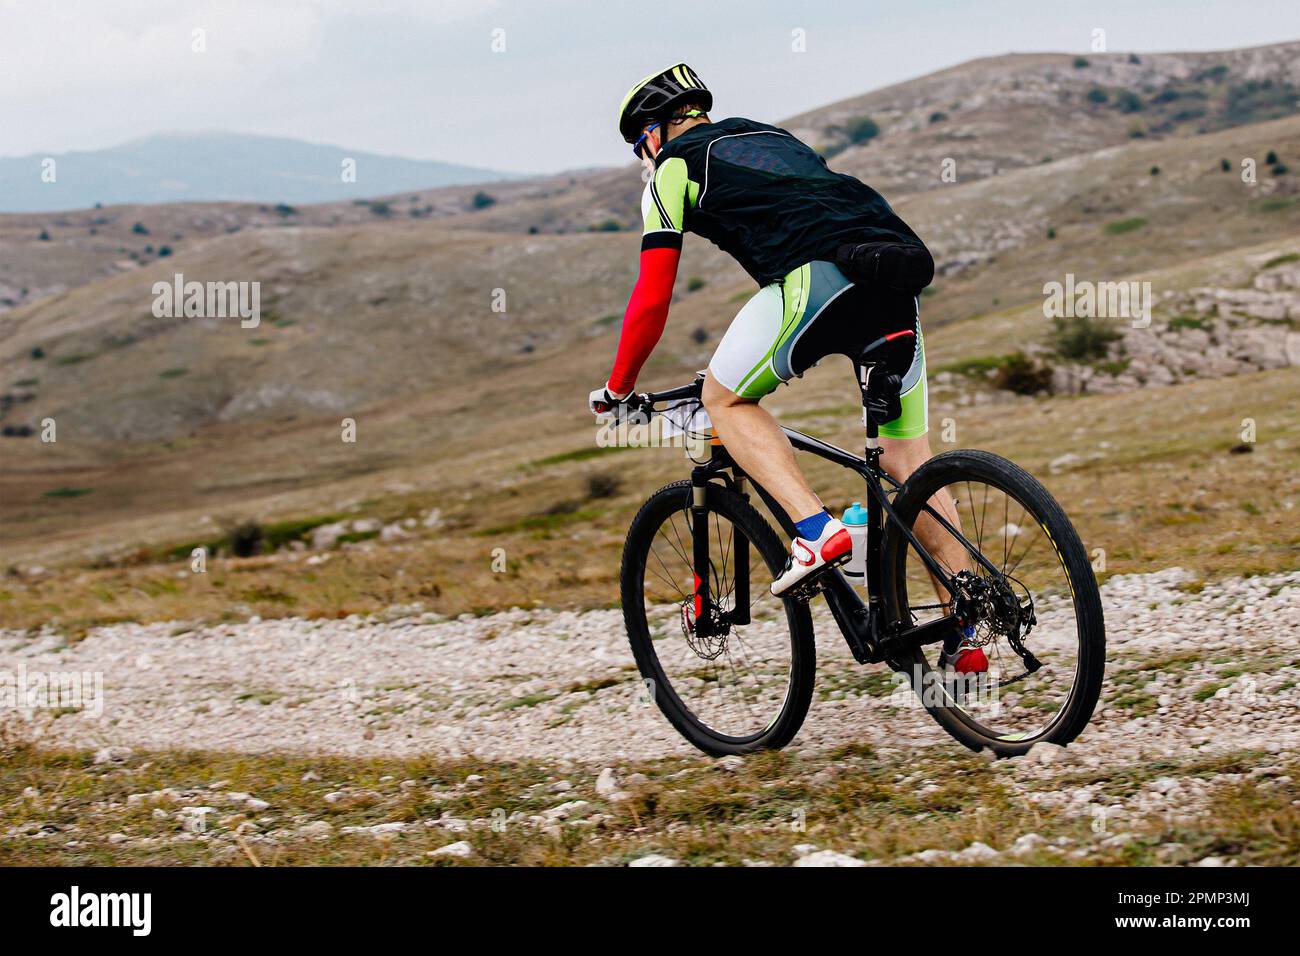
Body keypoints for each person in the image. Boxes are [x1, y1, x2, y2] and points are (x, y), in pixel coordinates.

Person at [590, 63, 985, 673]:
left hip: (818, 281)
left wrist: (619, 388)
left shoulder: (671, 169)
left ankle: (815, 529)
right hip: (894, 273)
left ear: (649, 135)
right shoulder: (770, 137)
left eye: (637, 147)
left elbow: (652, 298)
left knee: (725, 399)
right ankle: (969, 626)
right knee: (911, 461)